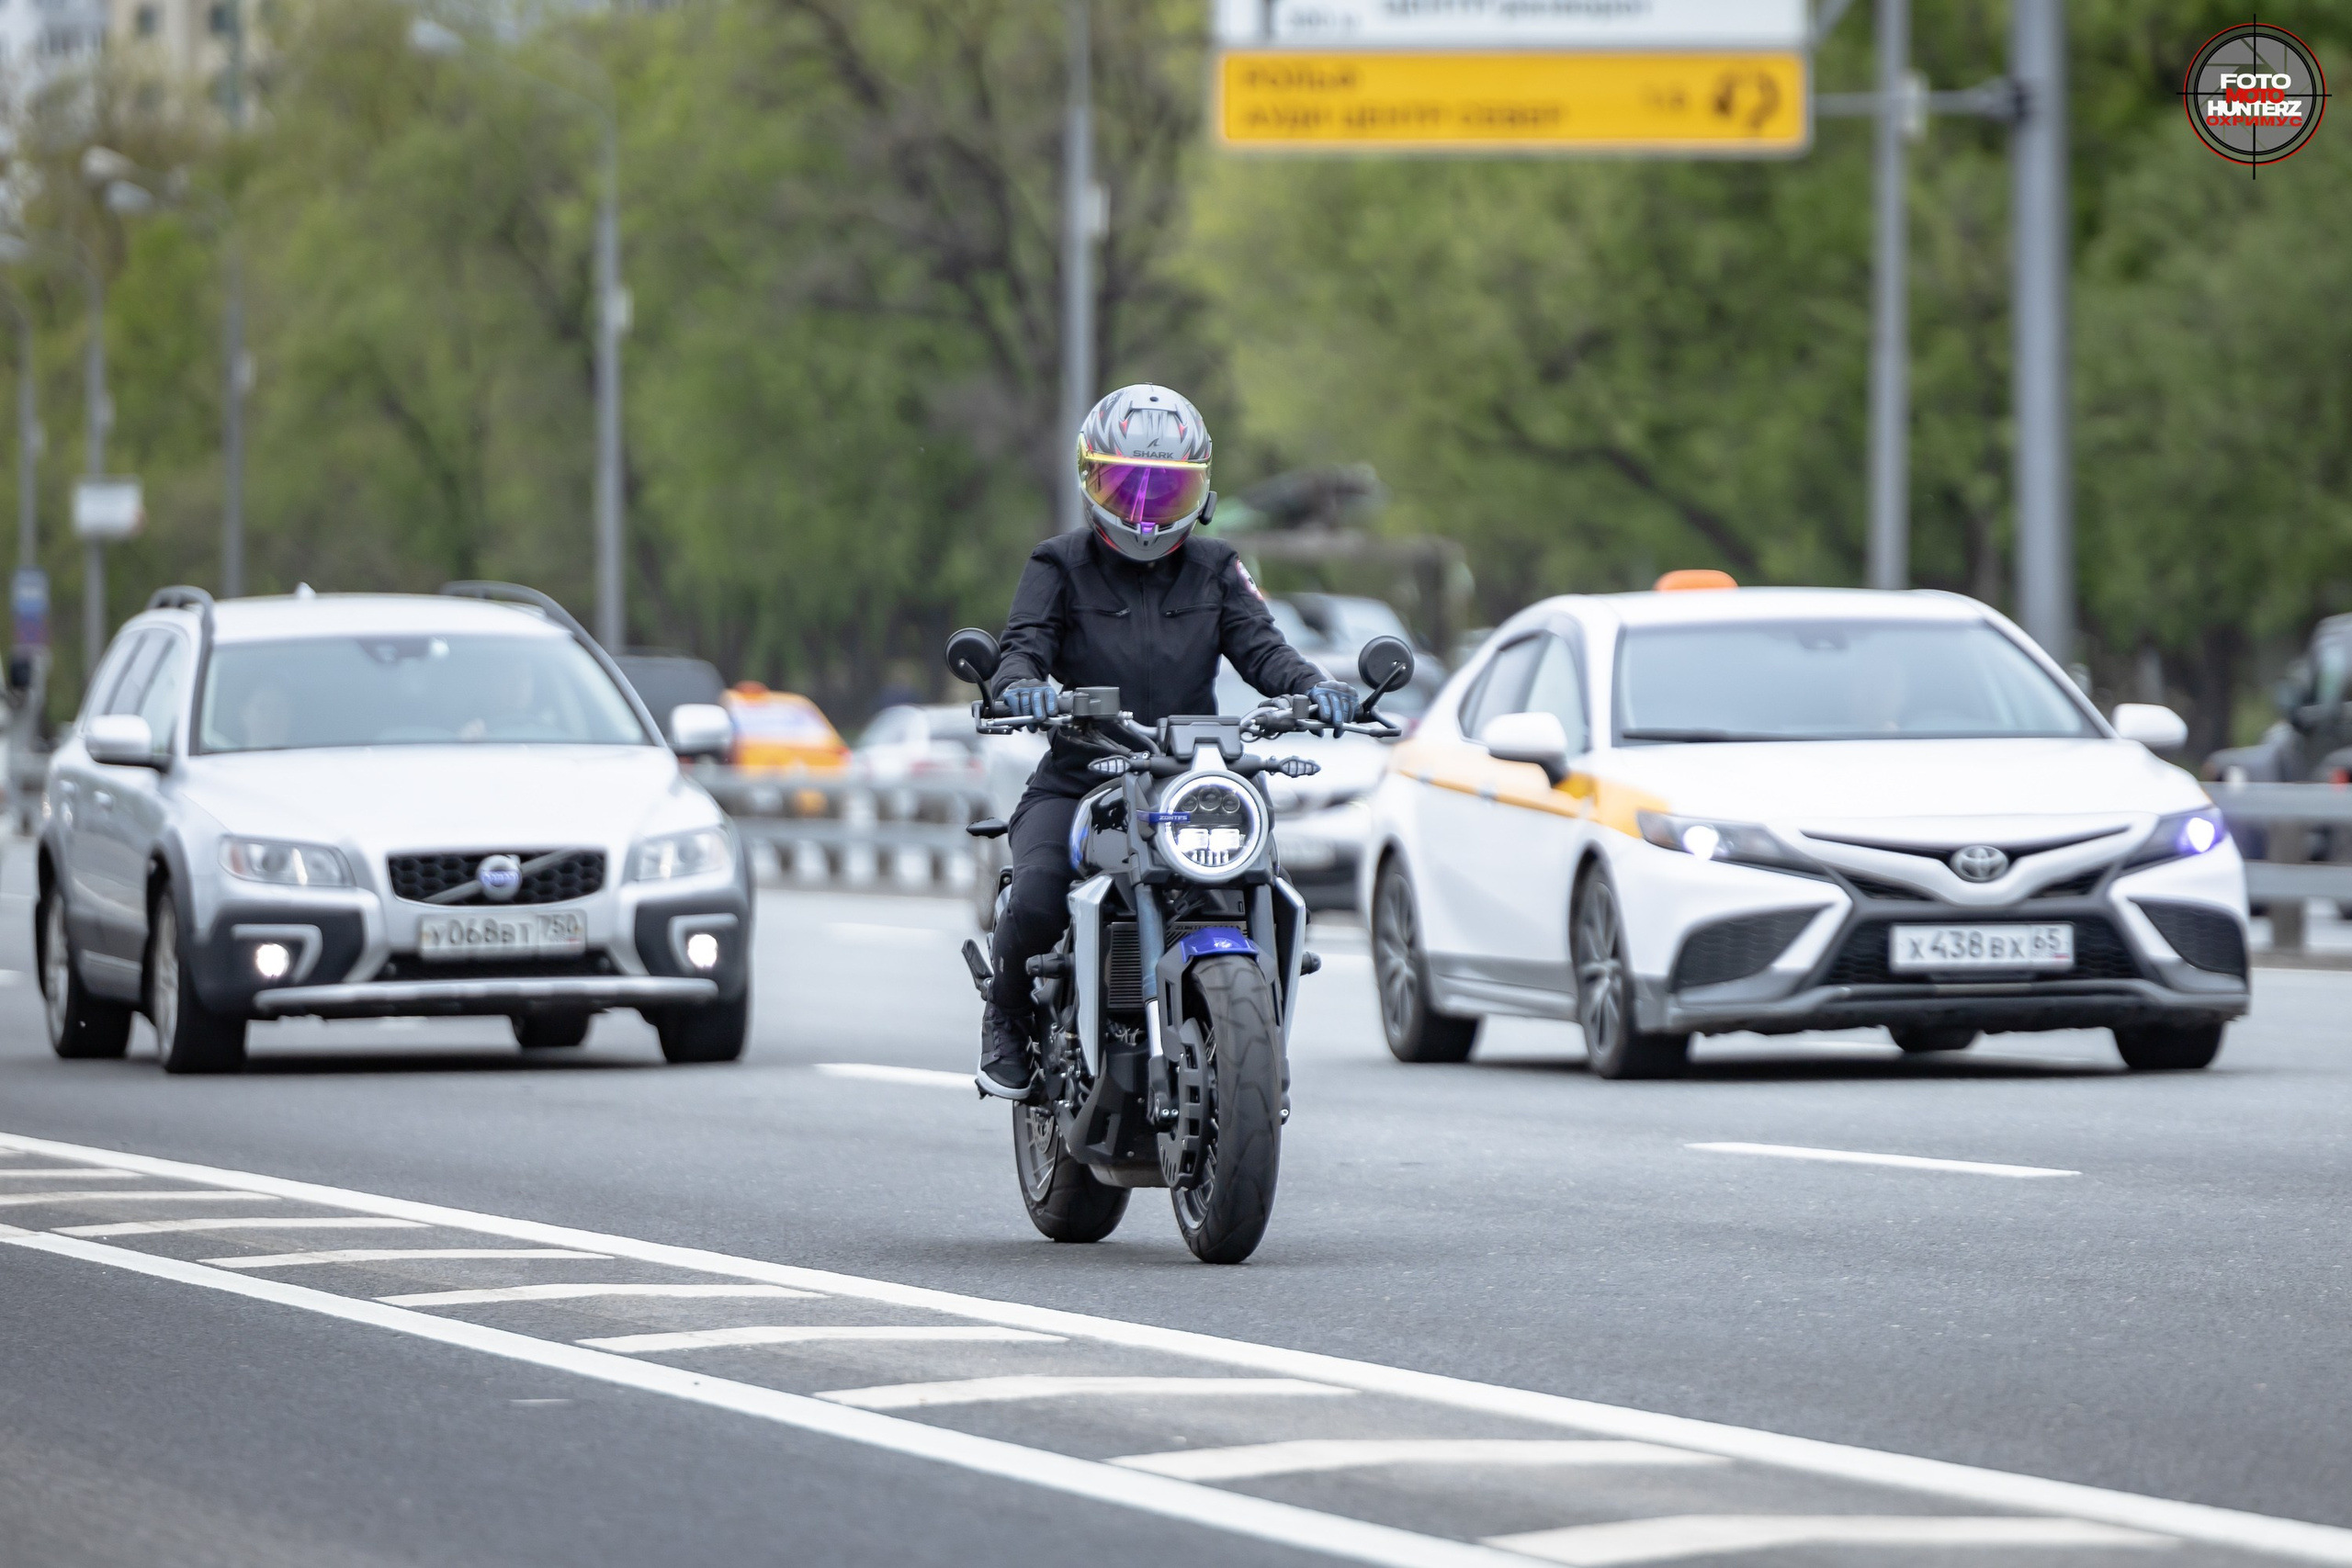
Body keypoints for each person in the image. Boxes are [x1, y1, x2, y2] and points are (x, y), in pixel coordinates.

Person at [977, 384, 1359, 1098]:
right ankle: (1007, 1018)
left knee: (1269, 892)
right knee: (1033, 895)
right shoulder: (1057, 564)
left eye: (1167, 489)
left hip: (1191, 778)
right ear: (1093, 479)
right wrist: (1021, 685)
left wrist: (1313, 688)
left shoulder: (1216, 568)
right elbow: (1020, 650)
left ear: (1202, 489)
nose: (1146, 508)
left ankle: (1247, 1041)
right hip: (1083, 778)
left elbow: (1266, 649)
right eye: (1129, 485)